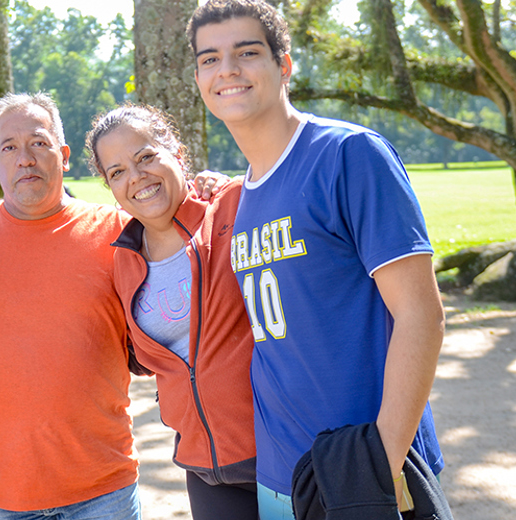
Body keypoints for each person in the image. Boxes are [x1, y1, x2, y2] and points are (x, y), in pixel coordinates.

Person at [187, 1, 447, 518]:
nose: (228, 70)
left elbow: (423, 317)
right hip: (284, 474)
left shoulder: (348, 155)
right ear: (198, 77)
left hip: (366, 470)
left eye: (247, 52)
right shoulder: (243, 197)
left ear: (285, 65)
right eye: (210, 59)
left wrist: (381, 464)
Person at [0, 92, 225, 520]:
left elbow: (192, 233)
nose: (25, 158)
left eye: (39, 143)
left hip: (102, 489)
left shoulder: (121, 233)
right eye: (9, 147)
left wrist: (211, 188)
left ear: (63, 156)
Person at [86, 104, 257, 520]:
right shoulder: (123, 260)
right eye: (117, 171)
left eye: (145, 157)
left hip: (278, 450)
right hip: (203, 465)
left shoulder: (233, 208)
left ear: (176, 153)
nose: (136, 177)